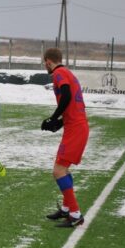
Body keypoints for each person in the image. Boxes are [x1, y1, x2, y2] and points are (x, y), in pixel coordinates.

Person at [40, 48, 89, 228]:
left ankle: (75, 214)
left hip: (76, 129)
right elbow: (72, 105)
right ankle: (68, 209)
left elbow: (66, 95)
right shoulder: (67, 72)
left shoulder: (59, 73)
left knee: (58, 171)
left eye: (44, 62)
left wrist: (53, 118)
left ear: (48, 61)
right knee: (63, 169)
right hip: (75, 126)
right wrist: (58, 123)